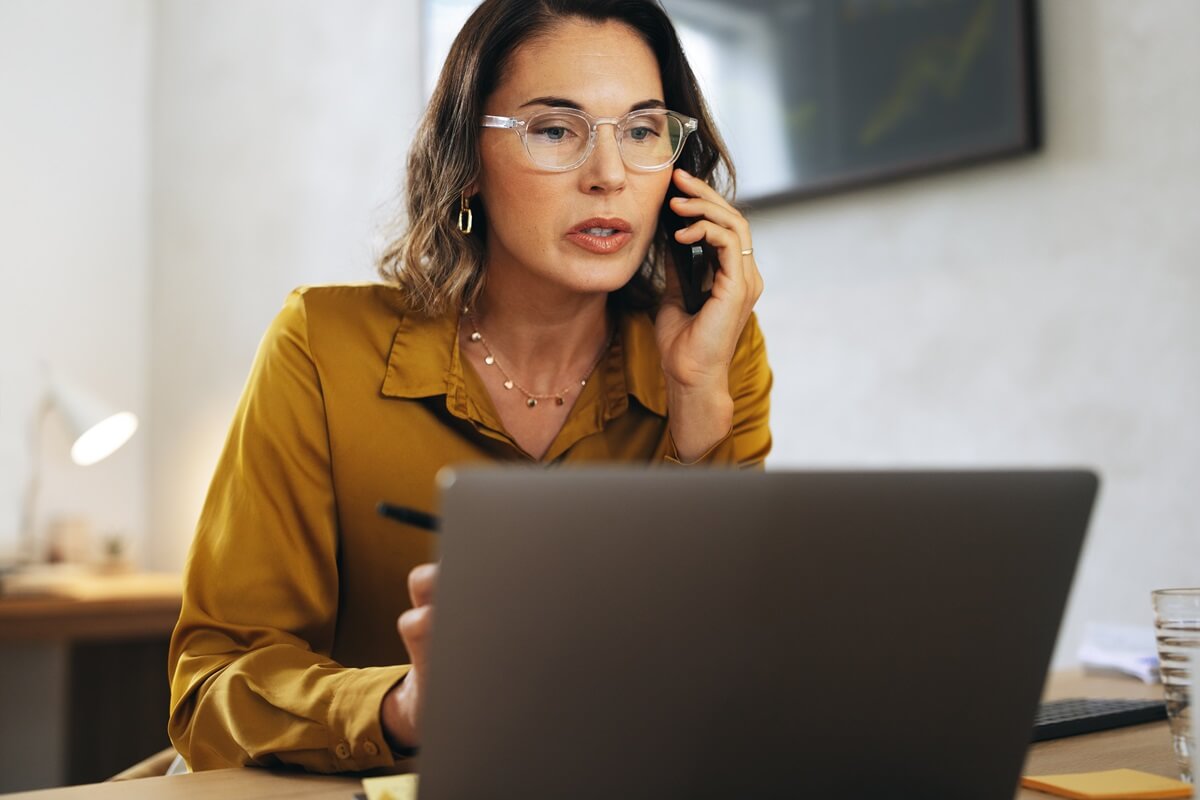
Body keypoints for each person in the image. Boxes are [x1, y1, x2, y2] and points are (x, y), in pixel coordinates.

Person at [168, 0, 771, 773]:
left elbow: (721, 683)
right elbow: (213, 679)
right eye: (556, 130)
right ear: (467, 164)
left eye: (643, 131)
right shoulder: (321, 345)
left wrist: (697, 415)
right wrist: (402, 707)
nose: (610, 175)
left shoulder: (716, 354)